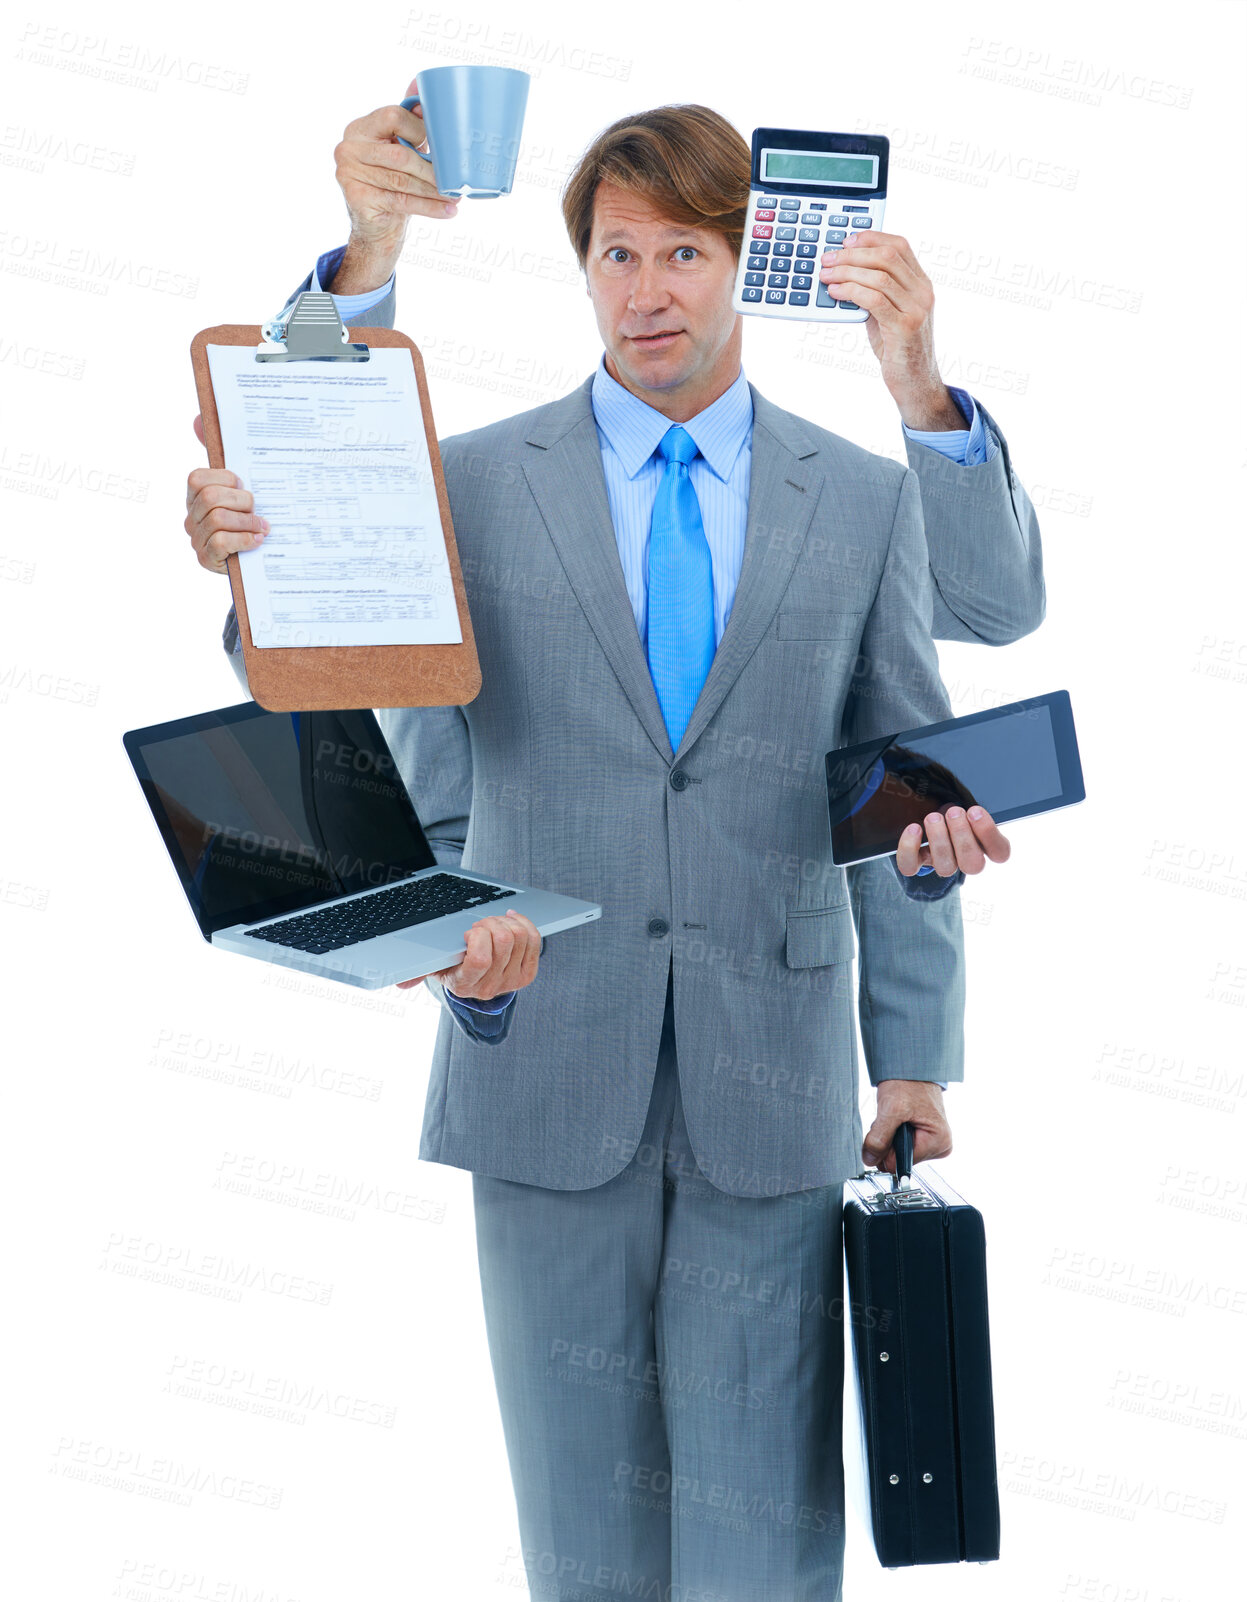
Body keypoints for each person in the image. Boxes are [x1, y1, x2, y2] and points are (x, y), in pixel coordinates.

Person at [184, 91, 1043, 1602]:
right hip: (536, 1050)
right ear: (582, 271)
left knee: (761, 1545)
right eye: (617, 256)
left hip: (771, 1087)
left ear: (746, 265)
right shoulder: (471, 484)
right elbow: (296, 639)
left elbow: (900, 786)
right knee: (581, 1545)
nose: (648, 292)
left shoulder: (852, 501)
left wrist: (912, 1062)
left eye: (687, 256)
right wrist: (264, 520)